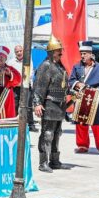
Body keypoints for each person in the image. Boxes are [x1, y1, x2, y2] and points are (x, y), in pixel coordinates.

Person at [32, 36, 68, 172]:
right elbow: (39, 86)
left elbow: (62, 85)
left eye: (60, 50)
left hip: (60, 105)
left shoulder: (59, 66)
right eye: (58, 50)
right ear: (51, 52)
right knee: (47, 134)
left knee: (57, 133)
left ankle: (54, 160)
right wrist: (37, 103)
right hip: (50, 104)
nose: (60, 52)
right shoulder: (46, 66)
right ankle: (43, 163)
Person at [68, 42, 99, 154]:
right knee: (81, 122)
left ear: (91, 54)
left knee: (97, 123)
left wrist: (98, 92)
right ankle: (82, 145)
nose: (82, 56)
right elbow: (71, 80)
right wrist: (78, 84)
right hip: (81, 97)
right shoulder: (77, 67)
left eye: (85, 53)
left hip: (95, 98)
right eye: (81, 53)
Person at [14, 45, 37, 132]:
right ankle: (15, 123)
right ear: (15, 53)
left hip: (27, 87)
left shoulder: (28, 60)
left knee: (28, 106)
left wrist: (23, 82)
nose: (19, 53)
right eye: (17, 52)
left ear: (23, 51)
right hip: (16, 87)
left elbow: (30, 73)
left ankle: (31, 124)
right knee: (15, 105)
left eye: (20, 51)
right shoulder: (11, 62)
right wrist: (17, 83)